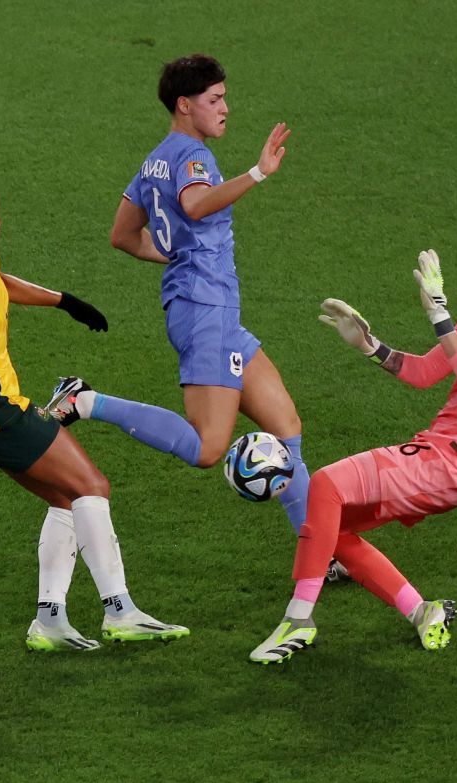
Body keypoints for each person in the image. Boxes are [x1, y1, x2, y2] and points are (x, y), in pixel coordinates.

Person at [250, 215, 457, 664]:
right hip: (440, 450)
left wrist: (439, 313)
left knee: (326, 484)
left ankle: (298, 621)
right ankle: (423, 612)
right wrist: (369, 346)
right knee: (330, 527)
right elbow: (424, 373)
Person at [0, 168, 188, 651]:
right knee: (92, 486)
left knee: (65, 499)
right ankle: (119, 610)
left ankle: (50, 621)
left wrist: (64, 302)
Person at [46, 53, 316, 538]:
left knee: (286, 425)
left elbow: (123, 236)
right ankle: (87, 401)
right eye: (215, 100)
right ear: (184, 104)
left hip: (212, 311)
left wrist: (177, 257)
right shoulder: (194, 157)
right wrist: (256, 174)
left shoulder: (153, 161)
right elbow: (193, 204)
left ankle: (320, 550)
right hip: (205, 312)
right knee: (208, 448)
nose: (225, 108)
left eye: (225, 98)